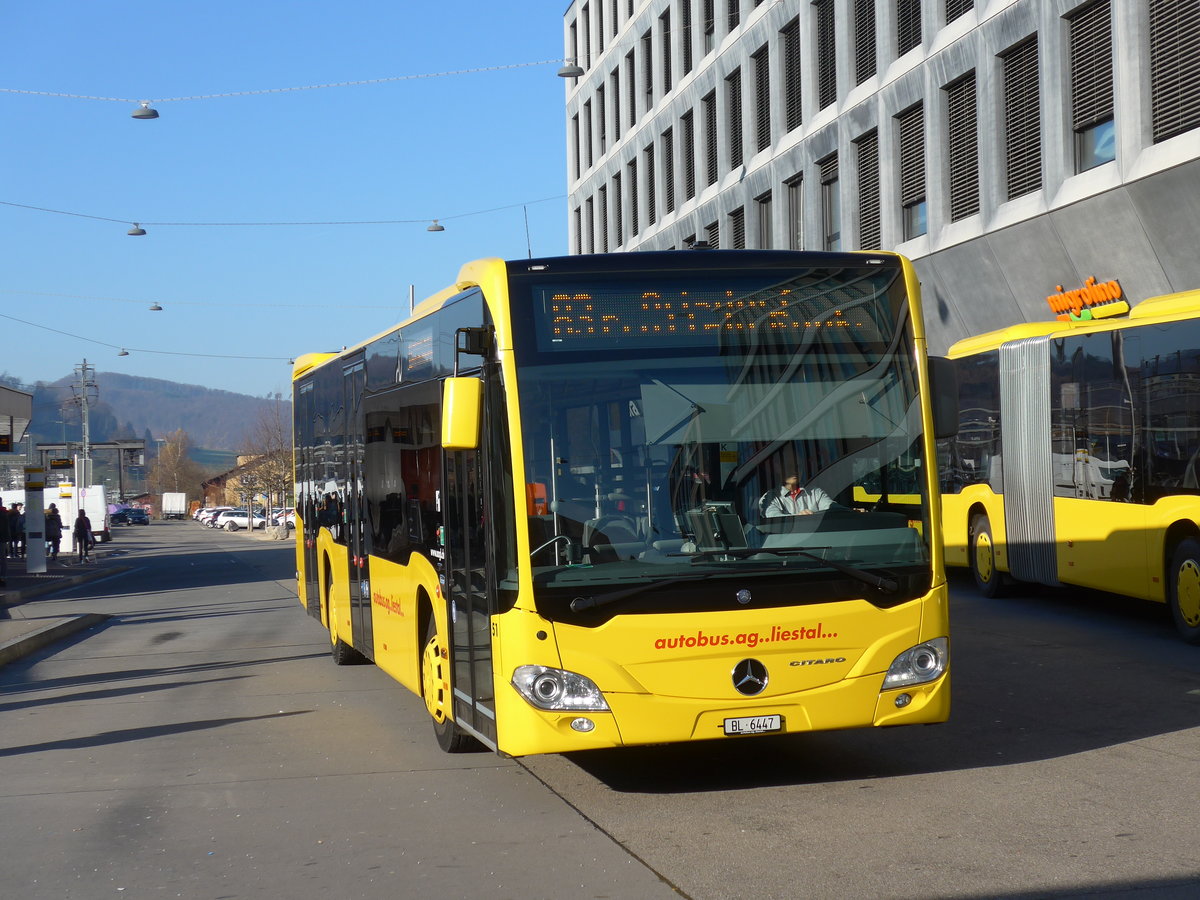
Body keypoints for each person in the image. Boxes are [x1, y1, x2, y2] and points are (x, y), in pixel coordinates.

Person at [759, 474, 835, 518]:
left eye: (798, 466)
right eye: (790, 466)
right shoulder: (769, 498)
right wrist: (800, 518)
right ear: (779, 469)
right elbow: (774, 519)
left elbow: (834, 509)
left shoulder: (815, 492)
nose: (794, 470)